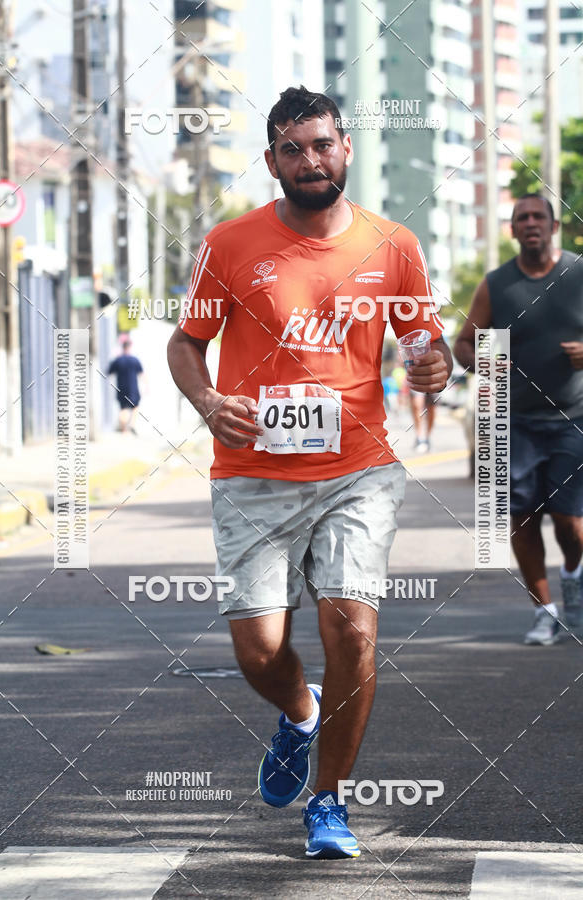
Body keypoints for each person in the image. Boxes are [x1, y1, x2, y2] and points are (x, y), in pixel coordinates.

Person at [167, 85, 451, 858]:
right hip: (252, 471)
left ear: (345, 148)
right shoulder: (230, 244)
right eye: (292, 149)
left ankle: (328, 803)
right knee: (260, 650)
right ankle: (299, 711)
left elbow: (425, 338)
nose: (310, 159)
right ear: (271, 162)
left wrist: (436, 365)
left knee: (350, 627)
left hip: (358, 468)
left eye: (322, 144)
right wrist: (208, 401)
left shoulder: (392, 243)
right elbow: (186, 343)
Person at [454, 194, 583, 646]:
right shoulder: (497, 285)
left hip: (573, 418)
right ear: (512, 230)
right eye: (521, 218)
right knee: (521, 519)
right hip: (514, 423)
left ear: (553, 226)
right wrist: (483, 360)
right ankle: (545, 613)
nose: (530, 223)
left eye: (538, 217)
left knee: (571, 524)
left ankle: (574, 574)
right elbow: (463, 344)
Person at [108, 338, 143, 433]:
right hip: (133, 389)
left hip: (121, 388)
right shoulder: (135, 360)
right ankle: (132, 424)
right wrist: (146, 387)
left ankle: (124, 430)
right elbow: (141, 374)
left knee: (123, 408)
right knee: (135, 407)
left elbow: (109, 372)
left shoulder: (118, 360)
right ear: (130, 347)